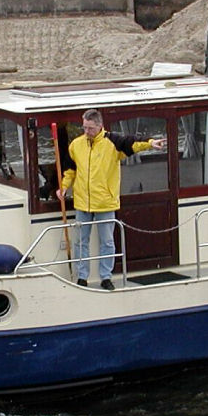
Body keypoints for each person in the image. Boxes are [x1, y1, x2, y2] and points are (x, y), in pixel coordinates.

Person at [58, 109, 166, 289]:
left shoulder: (113, 142)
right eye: (84, 127)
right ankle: (82, 277)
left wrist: (150, 143)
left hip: (105, 203)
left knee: (107, 241)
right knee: (80, 241)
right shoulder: (76, 145)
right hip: (82, 202)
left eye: (90, 128)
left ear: (100, 126)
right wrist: (63, 186)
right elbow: (70, 169)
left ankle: (105, 277)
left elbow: (132, 143)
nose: (86, 132)